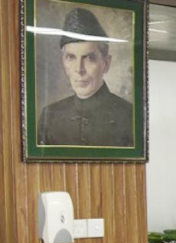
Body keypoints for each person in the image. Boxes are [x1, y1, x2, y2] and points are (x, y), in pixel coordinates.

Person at [36, 8, 134, 148]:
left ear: (106, 63)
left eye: (89, 58)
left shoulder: (129, 116)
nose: (79, 69)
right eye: (71, 57)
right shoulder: (50, 116)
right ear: (64, 63)